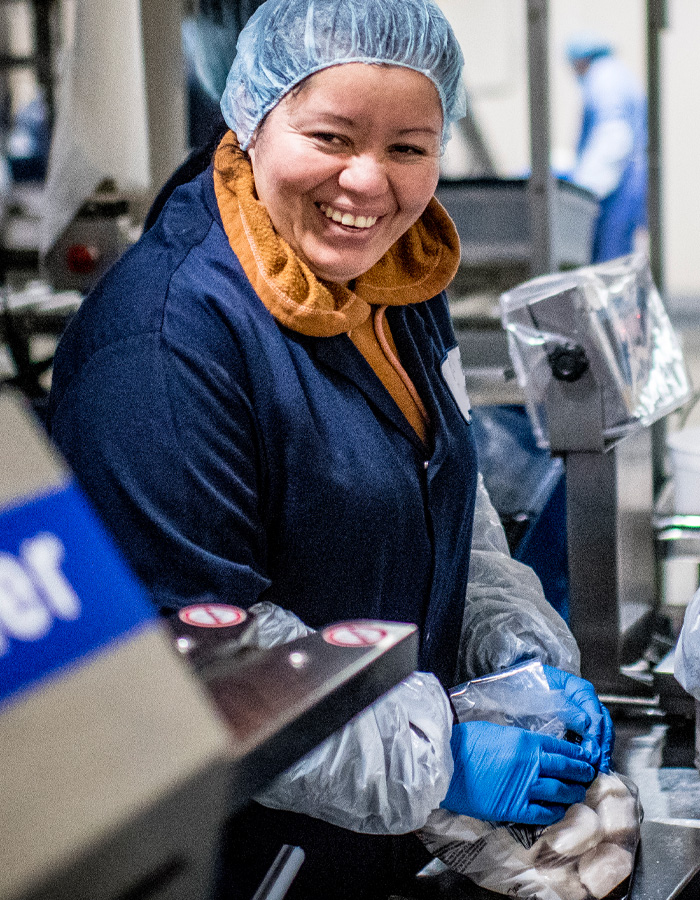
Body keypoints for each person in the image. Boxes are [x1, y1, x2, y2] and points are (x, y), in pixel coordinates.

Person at [47, 1, 614, 897]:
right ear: (252, 117)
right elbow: (198, 668)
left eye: (408, 148)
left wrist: (512, 653)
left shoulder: (391, 277)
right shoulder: (164, 348)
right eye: (331, 136)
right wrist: (440, 762)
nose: (367, 184)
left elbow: (445, 499)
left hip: (375, 838)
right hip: (245, 851)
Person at [566, 32, 648, 263]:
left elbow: (614, 136)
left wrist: (584, 189)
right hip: (624, 185)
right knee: (617, 263)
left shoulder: (604, 77)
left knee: (610, 267)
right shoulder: (615, 74)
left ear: (581, 60)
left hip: (616, 189)